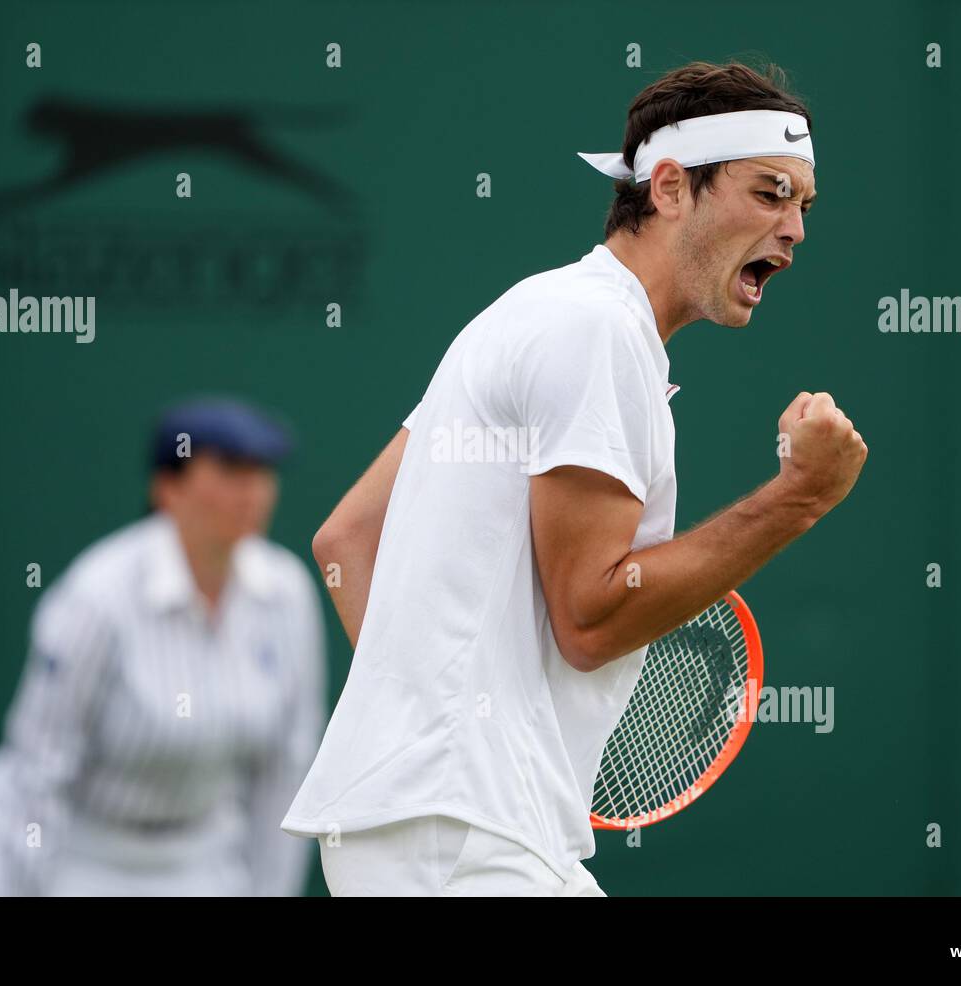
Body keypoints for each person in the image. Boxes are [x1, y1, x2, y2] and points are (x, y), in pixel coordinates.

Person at [282, 61, 867, 896]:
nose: (796, 229)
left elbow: (347, 539)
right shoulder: (598, 330)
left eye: (803, 205)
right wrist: (798, 498)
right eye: (770, 193)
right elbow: (589, 620)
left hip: (450, 824)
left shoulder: (539, 311)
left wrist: (437, 722)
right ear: (670, 189)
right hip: (464, 838)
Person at [0, 397, 326, 896]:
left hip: (211, 868)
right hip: (89, 869)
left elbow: (285, 767)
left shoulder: (287, 594)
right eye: (229, 470)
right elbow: (34, 780)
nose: (253, 490)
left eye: (262, 472)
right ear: (168, 489)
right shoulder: (96, 598)